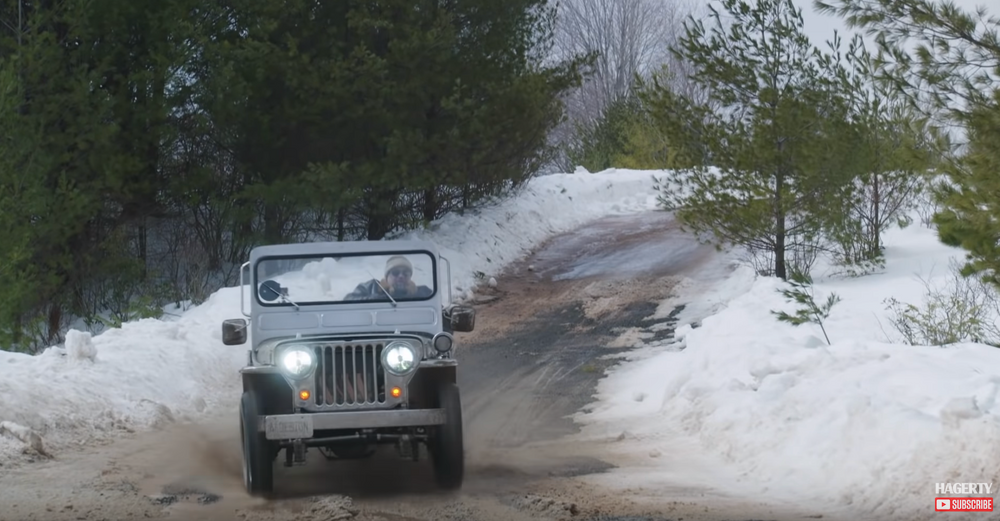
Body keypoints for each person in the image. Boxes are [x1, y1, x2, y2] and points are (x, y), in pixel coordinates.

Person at [343, 255, 433, 301]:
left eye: (405, 273)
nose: (401, 276)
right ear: (386, 277)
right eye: (395, 273)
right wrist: (381, 297)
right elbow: (348, 300)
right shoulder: (371, 287)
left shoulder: (423, 293)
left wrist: (414, 295)